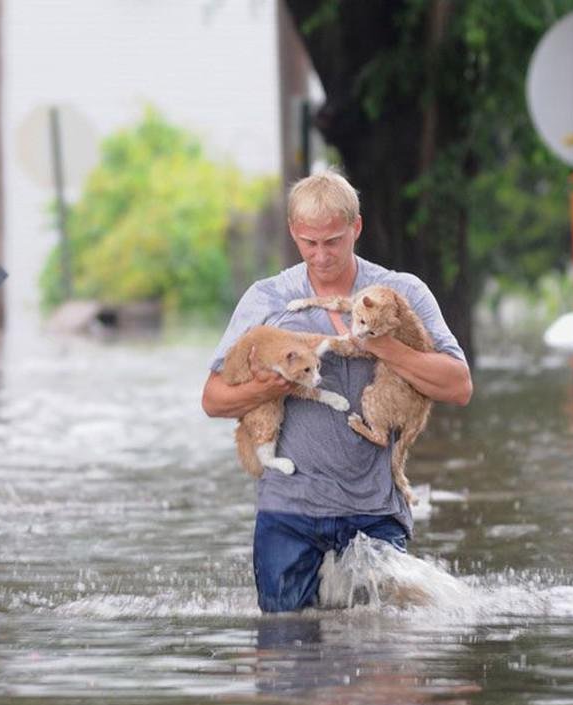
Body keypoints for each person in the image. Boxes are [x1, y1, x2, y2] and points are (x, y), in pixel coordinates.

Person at [201, 168, 473, 613]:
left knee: (383, 658)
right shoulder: (267, 299)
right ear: (293, 233)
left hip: (375, 510)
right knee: (287, 656)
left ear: (357, 228)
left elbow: (459, 387)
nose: (321, 255)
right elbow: (213, 399)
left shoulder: (399, 295)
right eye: (309, 243)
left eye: (333, 241)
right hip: (289, 511)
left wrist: (383, 346)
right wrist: (264, 387)